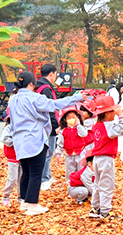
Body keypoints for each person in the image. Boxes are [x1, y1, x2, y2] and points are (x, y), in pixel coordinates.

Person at [7, 71, 84, 216]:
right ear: (31, 84)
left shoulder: (13, 99)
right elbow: (55, 105)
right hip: (34, 139)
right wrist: (77, 98)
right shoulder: (34, 98)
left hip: (19, 140)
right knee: (36, 173)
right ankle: (32, 204)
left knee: (26, 172)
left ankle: (24, 201)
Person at [88, 94, 123, 219]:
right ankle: (105, 211)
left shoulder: (97, 125)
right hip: (106, 158)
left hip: (97, 158)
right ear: (106, 114)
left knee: (98, 184)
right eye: (112, 112)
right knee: (107, 185)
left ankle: (95, 208)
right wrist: (121, 116)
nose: (114, 114)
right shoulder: (108, 126)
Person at [35, 63, 59, 191]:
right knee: (48, 153)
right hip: (48, 126)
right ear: (51, 74)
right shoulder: (46, 89)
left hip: (41, 125)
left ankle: (47, 176)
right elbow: (50, 109)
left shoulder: (38, 87)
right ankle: (44, 179)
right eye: (55, 74)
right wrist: (55, 125)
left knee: (46, 152)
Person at [57, 106, 93, 185]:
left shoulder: (80, 128)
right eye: (69, 118)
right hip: (69, 155)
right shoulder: (63, 131)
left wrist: (78, 124)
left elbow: (84, 134)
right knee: (70, 172)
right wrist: (58, 154)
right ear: (65, 120)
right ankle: (72, 188)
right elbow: (60, 143)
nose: (71, 119)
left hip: (80, 153)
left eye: (73, 117)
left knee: (82, 171)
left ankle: (83, 186)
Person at [0, 116, 19, 207]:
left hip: (22, 155)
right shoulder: (8, 128)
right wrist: (15, 142)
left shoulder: (23, 126)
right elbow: (4, 139)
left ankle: (21, 196)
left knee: (21, 178)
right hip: (12, 155)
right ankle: (6, 195)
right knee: (13, 178)